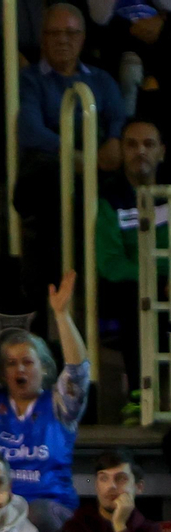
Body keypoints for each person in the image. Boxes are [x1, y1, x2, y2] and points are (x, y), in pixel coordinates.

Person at [0, 273, 90, 532]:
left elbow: (77, 373)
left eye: (28, 362)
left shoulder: (60, 405)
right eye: (11, 363)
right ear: (2, 372)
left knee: (34, 514)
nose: (20, 369)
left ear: (45, 368)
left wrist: (62, 315)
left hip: (51, 511)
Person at [16, 3, 126, 172]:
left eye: (71, 32)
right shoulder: (30, 79)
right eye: (54, 33)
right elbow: (30, 129)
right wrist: (72, 154)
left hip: (101, 163)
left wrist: (114, 139)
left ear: (82, 38)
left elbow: (118, 118)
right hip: (53, 166)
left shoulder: (101, 79)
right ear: (43, 38)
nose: (62, 39)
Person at [96, 118, 165, 386]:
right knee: (136, 299)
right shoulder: (108, 199)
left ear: (162, 151)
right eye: (132, 145)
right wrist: (157, 276)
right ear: (122, 151)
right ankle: (140, 395)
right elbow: (111, 264)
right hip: (131, 288)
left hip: (165, 283)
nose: (141, 151)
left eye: (149, 144)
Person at [61, 449, 164, 532]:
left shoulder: (150, 531)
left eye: (121, 479)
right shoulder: (77, 526)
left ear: (139, 487)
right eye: (104, 478)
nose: (111, 486)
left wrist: (119, 526)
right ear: (96, 485)